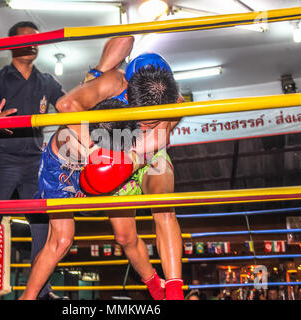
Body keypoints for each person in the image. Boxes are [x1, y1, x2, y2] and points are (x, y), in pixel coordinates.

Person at [20, 38, 183, 300]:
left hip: (135, 155)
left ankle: (173, 292)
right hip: (77, 160)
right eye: (143, 118)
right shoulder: (114, 81)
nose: (147, 124)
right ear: (130, 93)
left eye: (153, 120)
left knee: (162, 206)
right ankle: (27, 299)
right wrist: (97, 154)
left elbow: (158, 139)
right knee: (107, 238)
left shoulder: (172, 101)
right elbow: (66, 105)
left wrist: (126, 161)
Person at [0, 21, 65, 300]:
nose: (33, 42)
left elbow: (70, 104)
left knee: (43, 227)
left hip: (35, 162)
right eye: (26, 38)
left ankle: (41, 291)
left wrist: (96, 84)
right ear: (11, 45)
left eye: (37, 38)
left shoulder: (47, 81)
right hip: (3, 160)